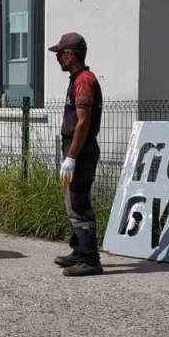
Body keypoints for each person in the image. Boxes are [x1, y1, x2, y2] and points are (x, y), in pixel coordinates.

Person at [50, 32, 104, 277]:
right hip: (77, 149)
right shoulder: (78, 79)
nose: (57, 58)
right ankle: (79, 251)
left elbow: (82, 123)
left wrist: (71, 157)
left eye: (60, 54)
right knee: (73, 201)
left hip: (80, 151)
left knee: (79, 204)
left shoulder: (84, 81)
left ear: (70, 55)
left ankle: (90, 258)